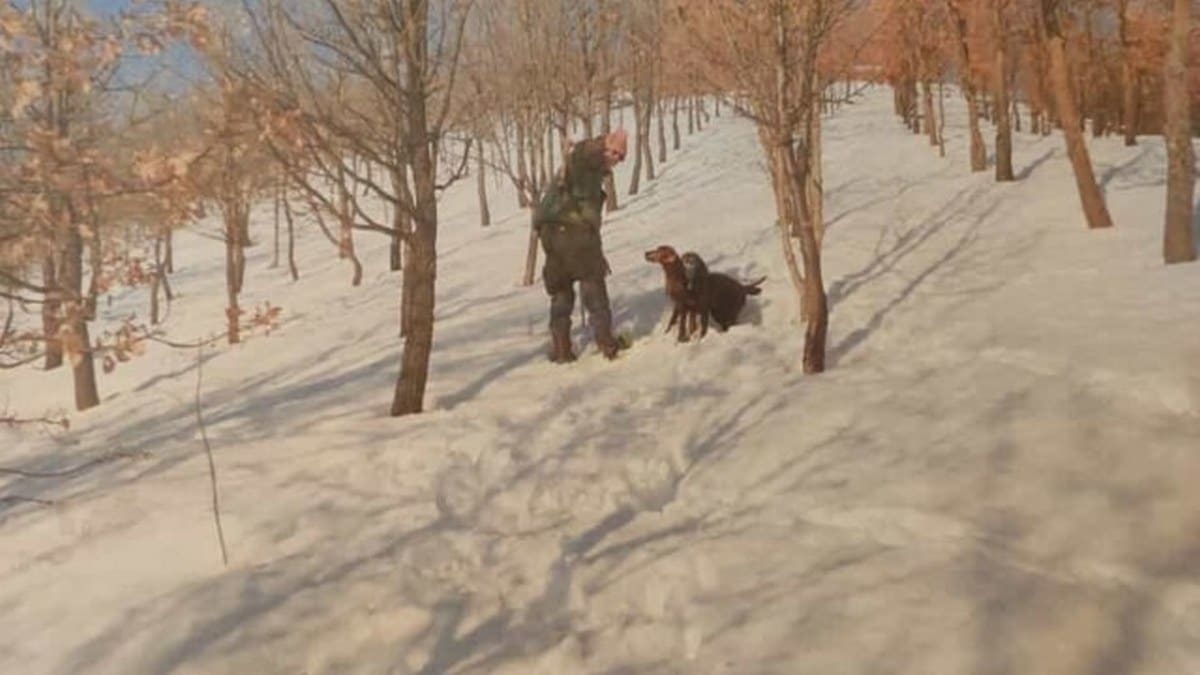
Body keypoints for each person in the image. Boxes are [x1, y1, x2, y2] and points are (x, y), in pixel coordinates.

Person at [533, 129, 628, 363]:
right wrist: (601, 144)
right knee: (593, 287)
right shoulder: (589, 161)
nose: (616, 160)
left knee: (561, 290)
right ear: (606, 148)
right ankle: (607, 345)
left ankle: (562, 351)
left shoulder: (581, 164)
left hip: (550, 234)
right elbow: (585, 155)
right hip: (573, 234)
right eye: (615, 153)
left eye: (620, 157)